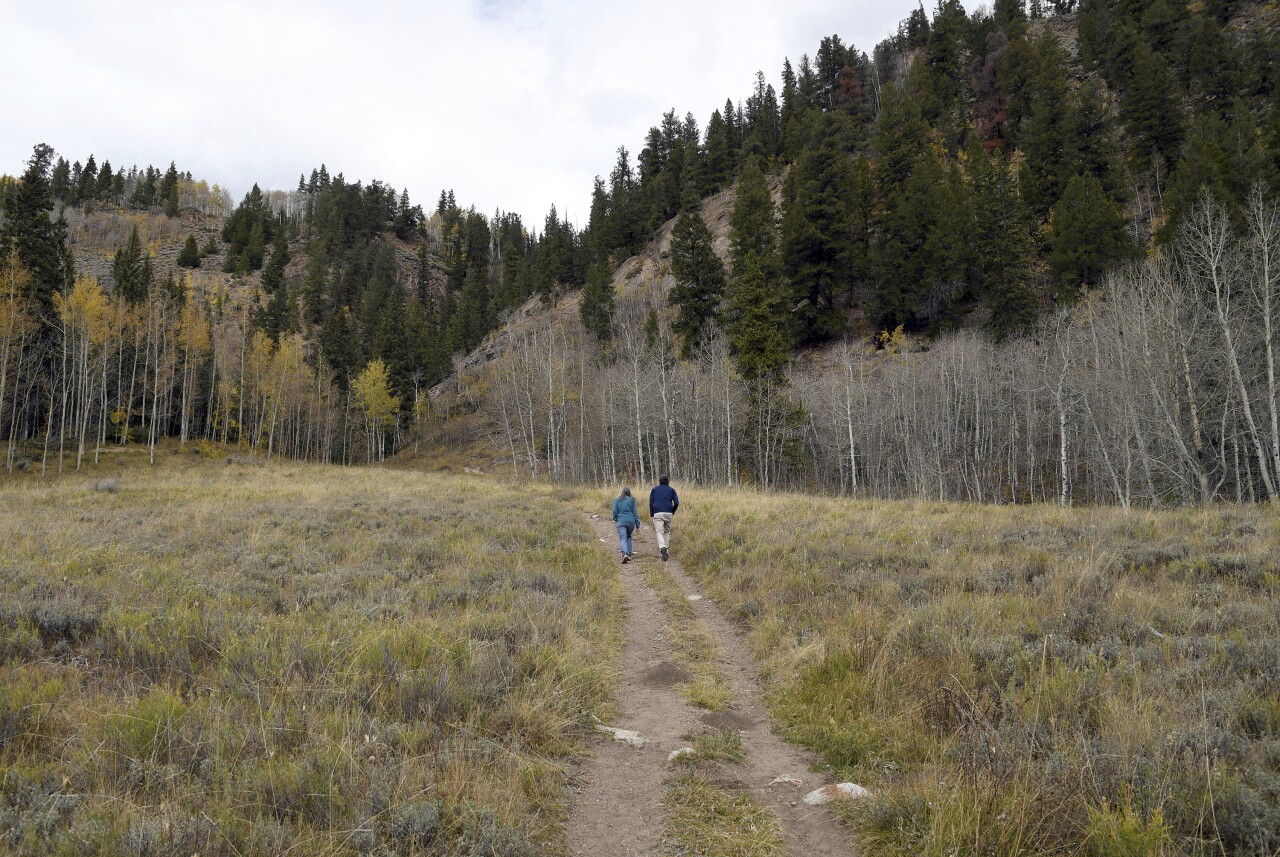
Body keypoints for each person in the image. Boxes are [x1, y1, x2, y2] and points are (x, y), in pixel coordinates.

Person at [648, 475, 679, 561]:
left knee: (659, 532)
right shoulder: (672, 490)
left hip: (657, 512)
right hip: (668, 512)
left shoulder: (654, 490)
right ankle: (666, 551)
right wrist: (672, 511)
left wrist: (652, 513)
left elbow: (651, 503)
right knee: (667, 532)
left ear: (659, 481)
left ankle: (662, 547)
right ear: (668, 481)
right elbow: (676, 503)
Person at [611, 486, 639, 563]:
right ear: (629, 492)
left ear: (622, 492)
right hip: (631, 522)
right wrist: (638, 525)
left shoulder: (617, 499)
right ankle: (629, 554)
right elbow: (635, 514)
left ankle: (624, 554)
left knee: (623, 538)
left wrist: (616, 518)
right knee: (629, 537)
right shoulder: (632, 500)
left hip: (621, 521)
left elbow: (614, 511)